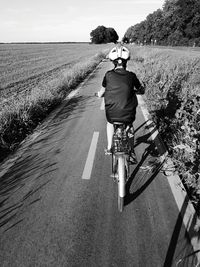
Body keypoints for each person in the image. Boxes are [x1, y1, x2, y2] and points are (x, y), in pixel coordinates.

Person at [97, 44, 145, 155]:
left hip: (112, 113)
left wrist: (99, 95)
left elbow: (102, 92)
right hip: (128, 113)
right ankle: (132, 152)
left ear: (113, 62)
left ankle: (109, 148)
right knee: (130, 127)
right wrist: (140, 90)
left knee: (110, 123)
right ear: (126, 61)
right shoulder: (132, 76)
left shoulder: (108, 75)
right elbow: (141, 90)